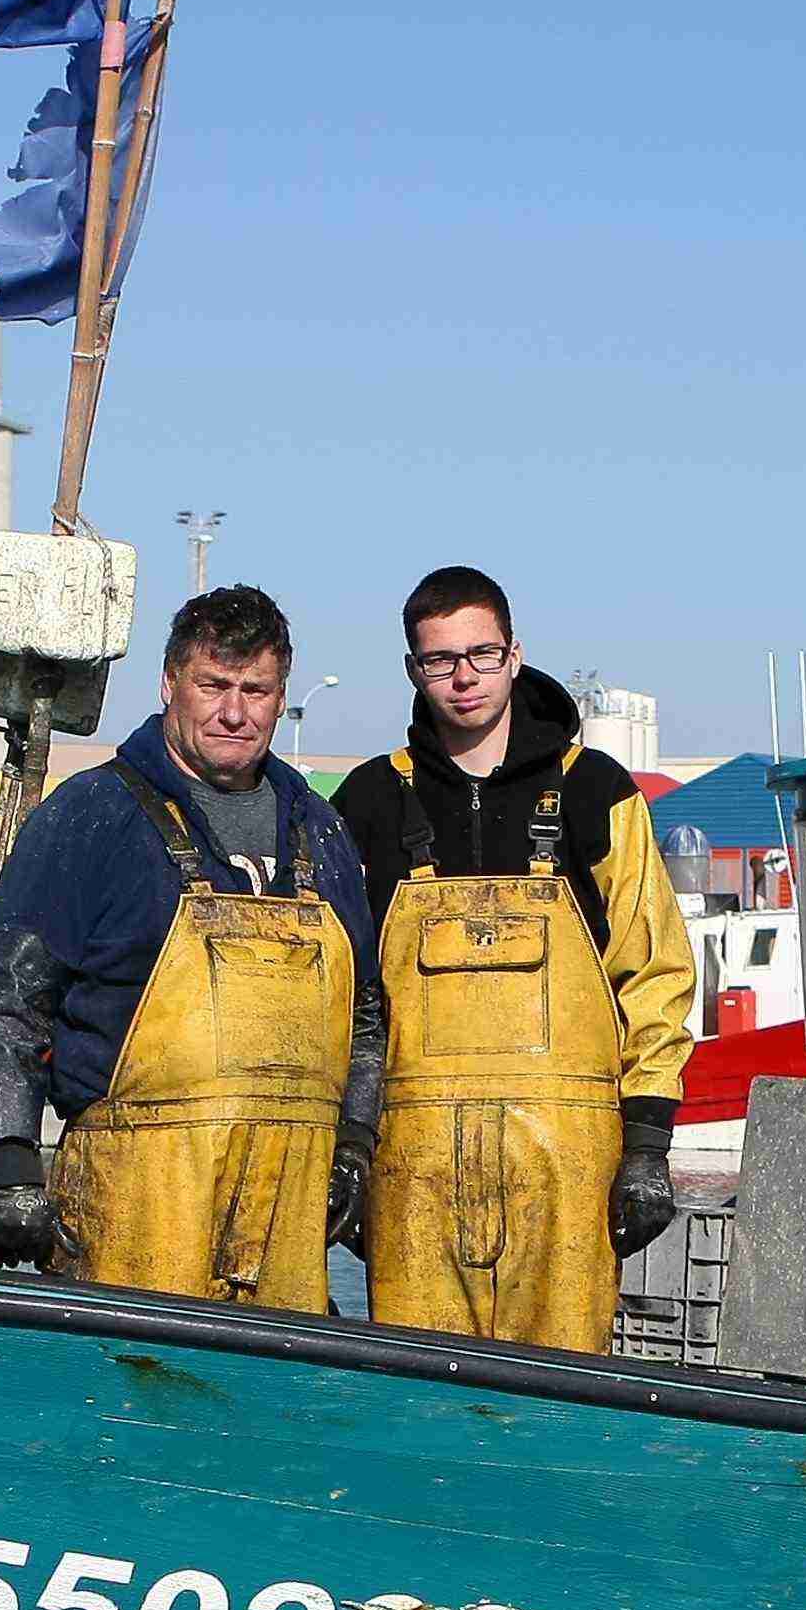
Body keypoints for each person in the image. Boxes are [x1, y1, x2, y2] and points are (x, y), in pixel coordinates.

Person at [0, 585, 383, 1307]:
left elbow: (365, 1013)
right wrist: (12, 1162)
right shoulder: (90, 814)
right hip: (138, 1202)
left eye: (257, 689)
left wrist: (353, 1146)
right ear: (169, 684)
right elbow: (10, 1005)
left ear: (281, 699)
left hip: (291, 1213)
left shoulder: (320, 830)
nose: (235, 710)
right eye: (213, 684)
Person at [329, 565, 694, 1352]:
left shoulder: (599, 792)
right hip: (411, 1165)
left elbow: (655, 971)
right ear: (412, 670)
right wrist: (349, 1145)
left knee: (565, 1399)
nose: (463, 677)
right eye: (439, 659)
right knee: (416, 1399)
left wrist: (647, 1145)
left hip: (568, 1166)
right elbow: (338, 996)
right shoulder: (364, 802)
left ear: (515, 654)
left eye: (481, 653)